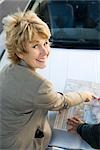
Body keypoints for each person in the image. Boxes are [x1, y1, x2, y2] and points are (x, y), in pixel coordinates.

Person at [0, 10, 95, 150]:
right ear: (19, 52)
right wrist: (84, 95)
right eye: (35, 46)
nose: (45, 52)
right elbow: (62, 102)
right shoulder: (40, 86)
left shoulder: (7, 69)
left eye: (46, 43)